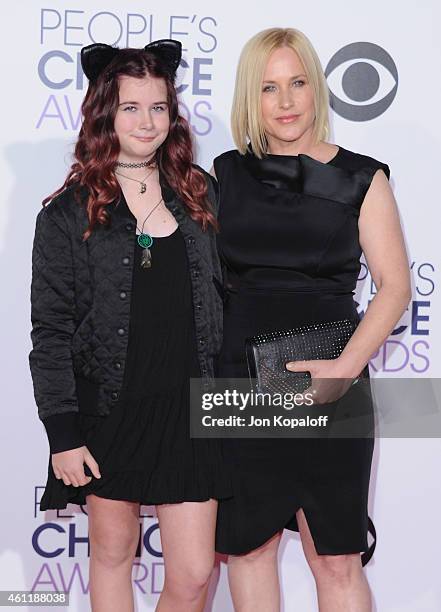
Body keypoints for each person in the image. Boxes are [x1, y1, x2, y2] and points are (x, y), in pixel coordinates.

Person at [212, 28, 410, 612]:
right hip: (239, 381)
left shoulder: (362, 177)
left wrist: (345, 370)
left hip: (333, 382)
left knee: (337, 556)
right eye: (269, 88)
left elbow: (394, 288)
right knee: (247, 548)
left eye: (297, 82)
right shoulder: (226, 175)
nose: (287, 101)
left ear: (316, 87)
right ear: (252, 97)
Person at [29, 39, 232, 612]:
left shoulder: (199, 193)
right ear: (104, 114)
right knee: (114, 556)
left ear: (173, 112)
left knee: (194, 575)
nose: (147, 122)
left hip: (192, 410)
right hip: (110, 409)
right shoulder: (68, 213)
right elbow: (50, 331)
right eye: (130, 108)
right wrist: (63, 435)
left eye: (159, 107)